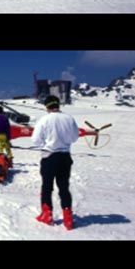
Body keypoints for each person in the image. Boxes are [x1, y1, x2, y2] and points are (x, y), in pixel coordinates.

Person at [30, 96, 80, 228]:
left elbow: (35, 140)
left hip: (49, 157)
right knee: (64, 187)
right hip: (65, 157)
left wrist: (45, 142)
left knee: (47, 186)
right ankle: (68, 219)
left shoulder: (44, 119)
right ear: (58, 105)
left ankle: (47, 215)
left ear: (46, 106)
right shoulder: (69, 118)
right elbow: (75, 137)